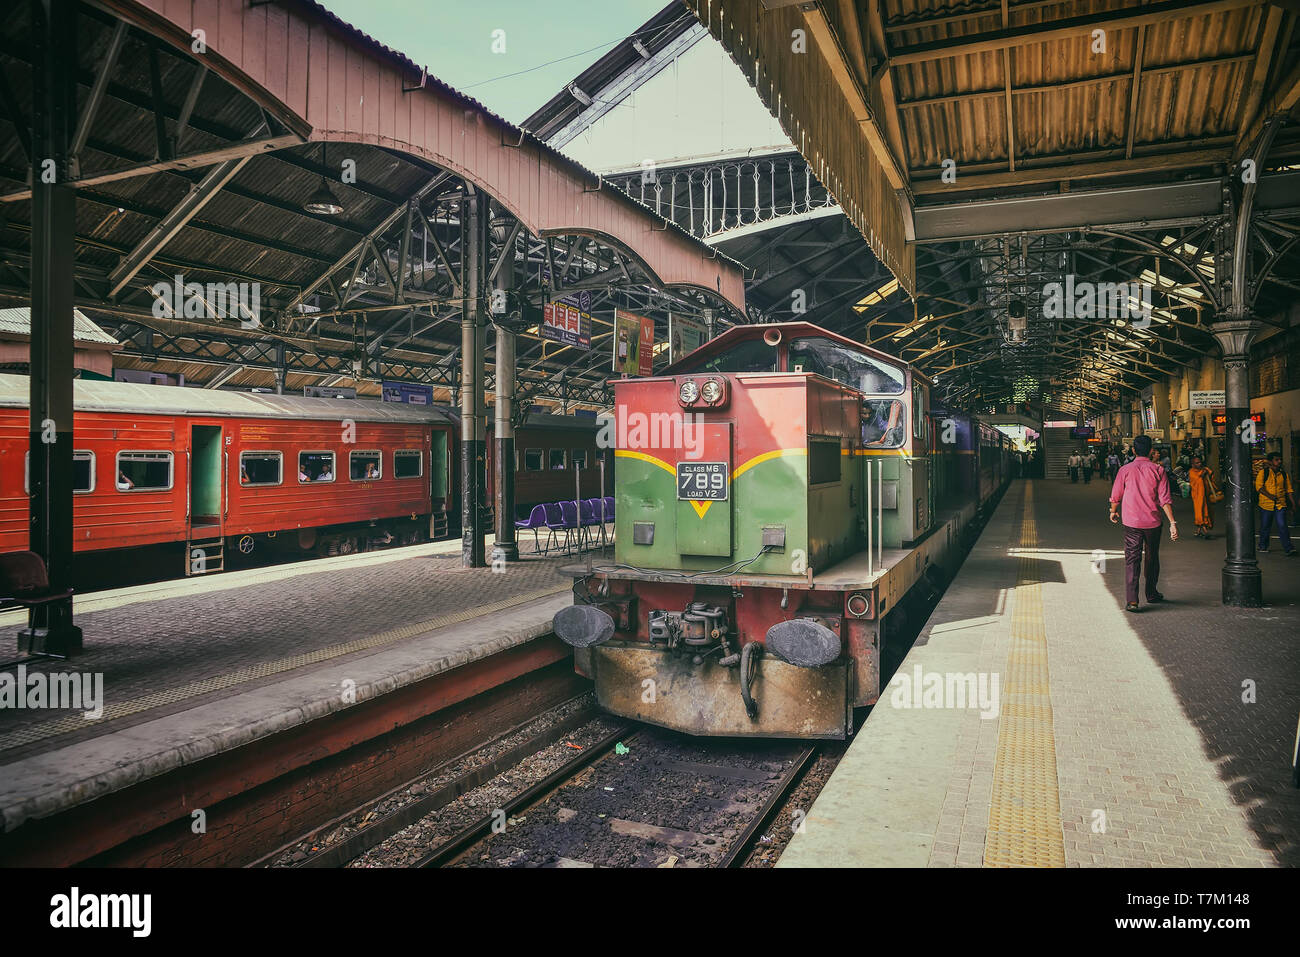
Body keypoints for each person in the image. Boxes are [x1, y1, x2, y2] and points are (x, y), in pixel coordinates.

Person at [1109, 434, 1178, 613]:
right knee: (1152, 557)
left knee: (1132, 559)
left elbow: (1116, 494)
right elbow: (1165, 499)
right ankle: (1151, 593)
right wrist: (1172, 522)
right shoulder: (1158, 470)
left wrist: (1113, 510)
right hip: (1153, 522)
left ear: (1133, 450)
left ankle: (1132, 601)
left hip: (1131, 522)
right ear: (1151, 451)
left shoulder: (1125, 470)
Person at [1255, 451, 1296, 556]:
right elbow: (1259, 487)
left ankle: (1288, 548)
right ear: (1270, 462)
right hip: (1265, 505)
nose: (1279, 461)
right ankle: (1263, 546)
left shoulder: (1283, 474)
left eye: (1280, 459)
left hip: (1280, 504)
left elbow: (1288, 489)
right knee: (1265, 526)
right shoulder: (1263, 473)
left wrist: (1292, 503)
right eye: (1276, 460)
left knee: (1282, 526)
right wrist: (1270, 496)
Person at [1187, 454, 1218, 539]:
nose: (1199, 464)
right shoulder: (1191, 472)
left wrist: (1208, 473)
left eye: (1200, 462)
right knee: (1200, 511)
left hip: (1206, 495)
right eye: (1196, 463)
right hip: (1197, 496)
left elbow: (1211, 476)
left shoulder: (1204, 470)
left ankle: (1198, 531)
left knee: (1206, 510)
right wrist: (1202, 475)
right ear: (1192, 464)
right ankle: (1205, 531)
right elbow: (1197, 480)